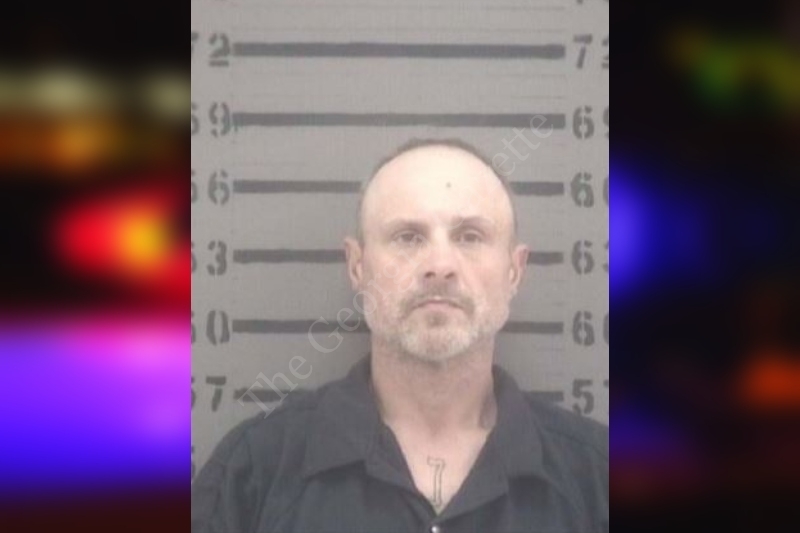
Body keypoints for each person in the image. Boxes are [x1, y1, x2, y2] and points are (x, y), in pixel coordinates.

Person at [191, 138, 609, 533]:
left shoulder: (597, 476)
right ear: (357, 266)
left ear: (514, 271)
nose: (440, 265)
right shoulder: (252, 472)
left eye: (470, 236)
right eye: (408, 237)